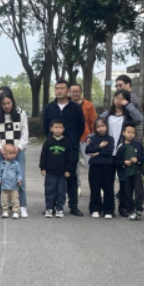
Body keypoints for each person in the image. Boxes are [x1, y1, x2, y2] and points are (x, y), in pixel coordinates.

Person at [41, 80, 85, 216]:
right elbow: (45, 126)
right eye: (57, 88)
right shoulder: (49, 108)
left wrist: (73, 140)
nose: (59, 91)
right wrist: (50, 139)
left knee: (71, 177)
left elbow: (81, 127)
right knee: (52, 179)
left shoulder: (75, 108)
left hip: (71, 148)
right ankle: (51, 206)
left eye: (62, 88)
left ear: (68, 91)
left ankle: (73, 206)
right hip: (53, 149)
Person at [0, 88, 29, 218]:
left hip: (18, 151)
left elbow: (25, 134)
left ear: (12, 101)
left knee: (20, 178)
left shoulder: (21, 113)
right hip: (2, 152)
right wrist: (1, 149)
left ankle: (22, 206)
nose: (6, 106)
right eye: (3, 104)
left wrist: (18, 148)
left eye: (9, 103)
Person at [40, 119, 76, 219]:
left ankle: (59, 208)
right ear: (51, 129)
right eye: (56, 127)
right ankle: (49, 208)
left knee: (61, 191)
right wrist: (43, 168)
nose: (58, 129)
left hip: (62, 173)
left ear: (63, 129)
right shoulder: (48, 142)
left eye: (60, 127)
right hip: (50, 171)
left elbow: (70, 158)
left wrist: (68, 170)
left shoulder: (66, 142)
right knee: (50, 190)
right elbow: (43, 156)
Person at [116, 123, 144, 220]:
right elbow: (116, 161)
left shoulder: (139, 146)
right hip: (125, 174)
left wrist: (138, 160)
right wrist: (124, 162)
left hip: (137, 172)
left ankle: (138, 208)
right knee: (127, 193)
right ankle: (130, 210)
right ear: (123, 133)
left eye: (133, 133)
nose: (131, 134)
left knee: (139, 191)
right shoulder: (121, 147)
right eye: (129, 132)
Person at [86, 118, 116, 219]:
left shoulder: (110, 139)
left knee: (108, 188)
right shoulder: (92, 138)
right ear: (95, 128)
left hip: (108, 166)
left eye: (103, 126)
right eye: (98, 127)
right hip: (95, 166)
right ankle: (95, 209)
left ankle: (108, 210)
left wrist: (97, 153)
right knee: (95, 188)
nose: (101, 129)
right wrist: (99, 146)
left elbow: (109, 151)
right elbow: (88, 150)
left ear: (106, 127)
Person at [69, 83, 97, 166]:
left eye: (77, 91)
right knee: (73, 162)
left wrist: (93, 136)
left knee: (89, 160)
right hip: (70, 137)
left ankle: (92, 175)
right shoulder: (66, 105)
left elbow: (94, 121)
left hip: (85, 137)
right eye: (73, 91)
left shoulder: (89, 105)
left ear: (81, 92)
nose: (75, 93)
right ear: (69, 92)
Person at [0, 142, 23, 219]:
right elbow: (0, 173)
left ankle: (16, 212)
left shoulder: (16, 164)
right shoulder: (2, 163)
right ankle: (5, 211)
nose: (13, 155)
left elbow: (19, 173)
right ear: (4, 154)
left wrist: (19, 180)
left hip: (14, 186)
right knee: (4, 199)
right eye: (10, 153)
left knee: (15, 200)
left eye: (14, 153)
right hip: (4, 186)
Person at [115, 75, 144, 141]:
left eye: (120, 85)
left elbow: (137, 118)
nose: (118, 87)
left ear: (128, 84)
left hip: (132, 135)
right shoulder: (130, 96)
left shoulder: (131, 97)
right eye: (116, 86)